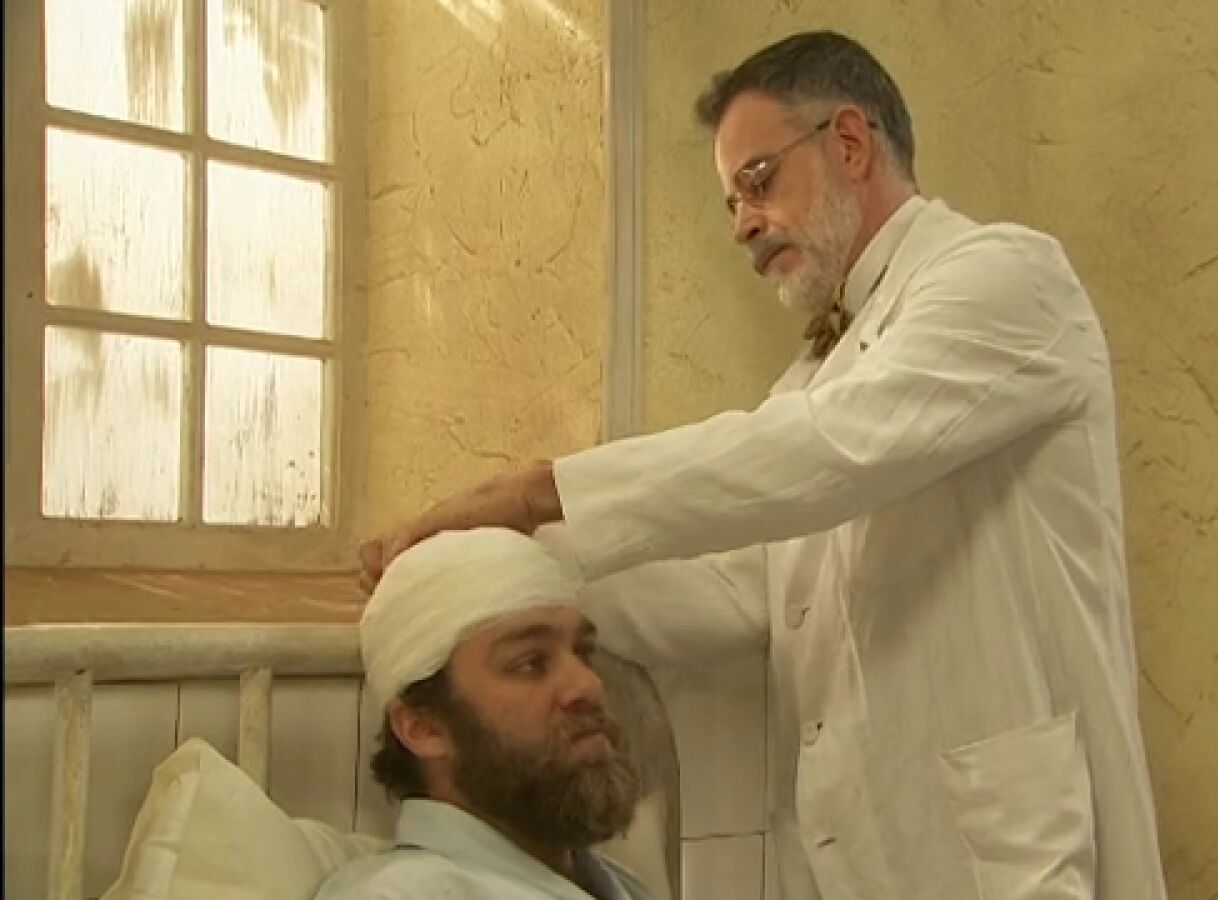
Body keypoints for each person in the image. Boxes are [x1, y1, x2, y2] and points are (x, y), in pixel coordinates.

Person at [361, 30, 1167, 900]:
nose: (742, 224)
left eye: (758, 180)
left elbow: (826, 450)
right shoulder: (817, 375)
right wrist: (492, 575)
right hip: (865, 854)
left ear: (848, 143)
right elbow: (742, 590)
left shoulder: (1006, 278)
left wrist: (531, 492)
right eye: (732, 202)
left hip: (1004, 854)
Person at [318, 528, 655, 900]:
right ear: (423, 727)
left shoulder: (614, 884)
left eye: (583, 652)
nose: (588, 685)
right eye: (530, 663)